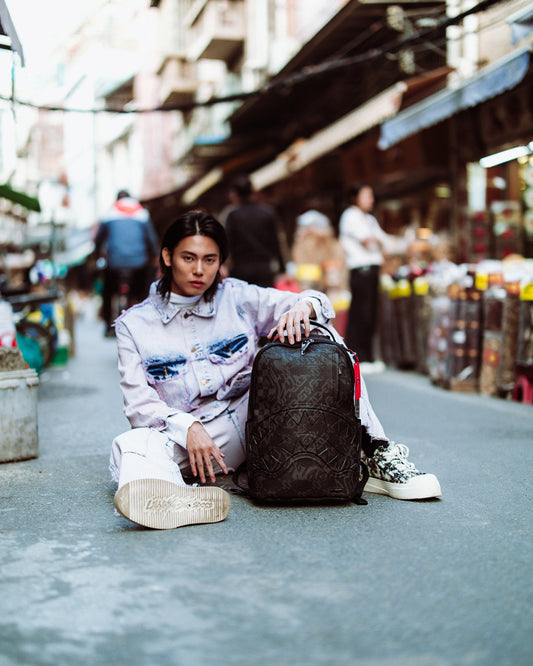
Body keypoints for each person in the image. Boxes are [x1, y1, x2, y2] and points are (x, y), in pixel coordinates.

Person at [109, 210, 441, 530]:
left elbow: (316, 300)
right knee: (129, 446)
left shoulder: (236, 296)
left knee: (321, 329)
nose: (199, 270)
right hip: (197, 440)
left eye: (210, 260)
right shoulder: (133, 325)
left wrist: (302, 307)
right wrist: (188, 427)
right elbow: (139, 406)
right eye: (188, 258)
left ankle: (375, 449)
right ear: (167, 256)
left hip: (258, 421)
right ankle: (177, 498)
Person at [339, 183, 405, 372]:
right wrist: (379, 242)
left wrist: (392, 242)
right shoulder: (350, 216)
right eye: (366, 195)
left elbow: (384, 241)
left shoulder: (369, 219)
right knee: (360, 315)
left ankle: (367, 357)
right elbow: (368, 241)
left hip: (373, 270)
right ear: (354, 198)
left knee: (370, 315)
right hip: (361, 270)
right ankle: (356, 357)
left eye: (371, 195)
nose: (371, 199)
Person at [95, 190, 159, 336]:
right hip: (139, 263)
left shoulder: (110, 213)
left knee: (107, 292)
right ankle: (144, 322)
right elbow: (152, 240)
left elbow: (99, 239)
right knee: (142, 292)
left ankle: (108, 326)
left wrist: (97, 254)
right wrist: (155, 256)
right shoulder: (142, 213)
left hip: (114, 263)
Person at [224, 175, 285, 287]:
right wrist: (282, 268)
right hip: (264, 269)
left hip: (240, 269)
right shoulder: (267, 213)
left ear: (235, 194)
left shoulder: (233, 215)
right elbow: (276, 242)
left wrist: (225, 265)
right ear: (252, 192)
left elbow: (228, 243)